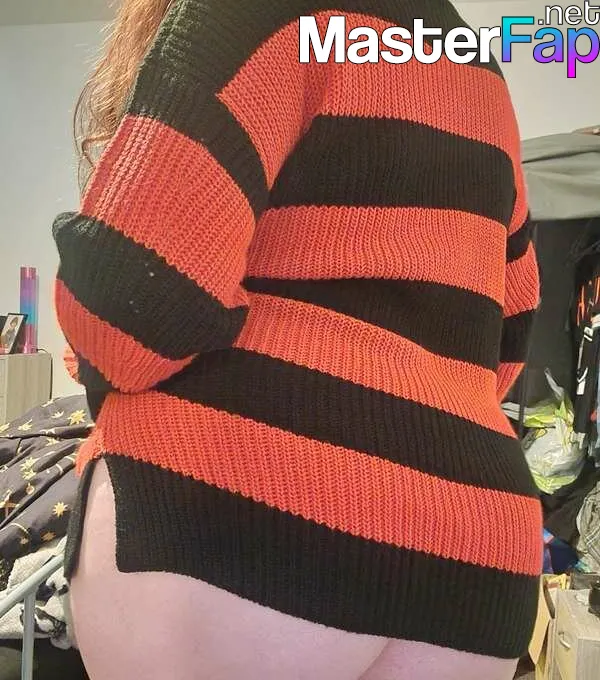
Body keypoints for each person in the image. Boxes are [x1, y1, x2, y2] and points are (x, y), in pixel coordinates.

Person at [52, 1, 542, 678]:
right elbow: (509, 332)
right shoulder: (469, 57)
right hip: (475, 543)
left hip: (233, 502)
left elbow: (133, 301)